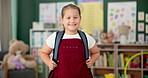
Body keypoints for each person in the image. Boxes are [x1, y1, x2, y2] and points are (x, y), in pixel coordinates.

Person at [40, 4, 100, 78]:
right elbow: (43, 53)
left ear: (80, 19)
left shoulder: (86, 37)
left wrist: (92, 61)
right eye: (68, 18)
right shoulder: (55, 37)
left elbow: (96, 52)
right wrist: (49, 62)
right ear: (62, 20)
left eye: (75, 17)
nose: (72, 20)